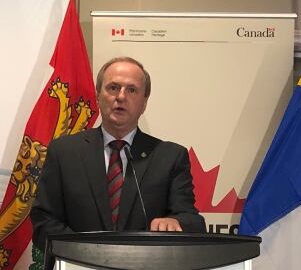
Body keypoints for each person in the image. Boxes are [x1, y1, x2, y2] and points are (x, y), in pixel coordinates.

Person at [31, 56, 205, 250]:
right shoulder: (64, 152)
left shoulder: (170, 157)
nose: (121, 96)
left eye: (131, 90)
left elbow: (191, 219)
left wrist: (175, 222)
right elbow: (44, 221)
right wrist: (82, 253)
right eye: (113, 87)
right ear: (98, 95)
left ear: (144, 102)